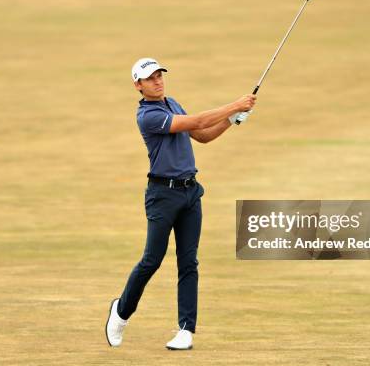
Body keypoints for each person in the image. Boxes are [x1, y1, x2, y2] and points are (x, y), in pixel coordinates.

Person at [105, 57, 256, 350]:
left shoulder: (172, 103)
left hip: (189, 193)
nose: (158, 81)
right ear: (138, 85)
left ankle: (186, 330)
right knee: (152, 260)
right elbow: (198, 121)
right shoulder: (147, 116)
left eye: (160, 75)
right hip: (162, 196)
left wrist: (229, 121)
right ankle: (121, 313)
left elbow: (202, 135)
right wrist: (235, 105)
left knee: (189, 262)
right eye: (150, 78)